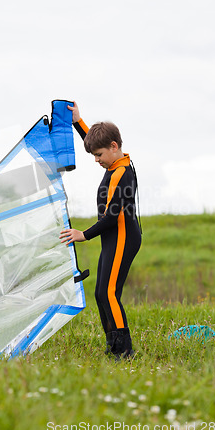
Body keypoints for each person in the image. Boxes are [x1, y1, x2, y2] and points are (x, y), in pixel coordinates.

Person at [59, 102, 142, 360]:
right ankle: (112, 344)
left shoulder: (121, 173)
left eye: (99, 155)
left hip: (123, 237)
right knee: (100, 292)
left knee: (109, 293)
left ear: (114, 147)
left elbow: (112, 215)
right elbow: (94, 141)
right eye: (94, 155)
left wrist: (84, 234)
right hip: (112, 237)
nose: (96, 160)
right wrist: (78, 121)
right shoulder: (113, 163)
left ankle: (124, 350)